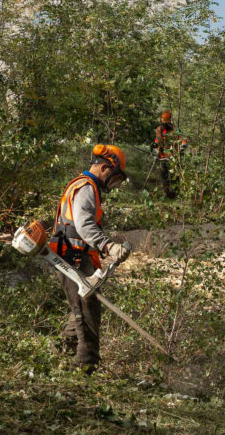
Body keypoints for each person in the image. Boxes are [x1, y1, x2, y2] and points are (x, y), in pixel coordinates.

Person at [49, 144, 131, 373]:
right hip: (72, 256)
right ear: (105, 167)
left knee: (82, 306)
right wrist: (108, 246)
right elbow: (84, 225)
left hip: (71, 255)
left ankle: (63, 352)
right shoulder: (86, 187)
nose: (112, 185)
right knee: (87, 310)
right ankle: (85, 365)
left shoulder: (81, 185)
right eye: (114, 177)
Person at [152, 110, 186, 198]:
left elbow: (182, 139)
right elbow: (157, 140)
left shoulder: (175, 129)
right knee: (164, 176)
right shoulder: (159, 129)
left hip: (174, 157)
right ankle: (167, 194)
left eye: (167, 122)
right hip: (163, 156)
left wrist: (183, 146)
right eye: (164, 122)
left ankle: (176, 194)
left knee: (175, 176)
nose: (166, 124)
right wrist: (155, 148)